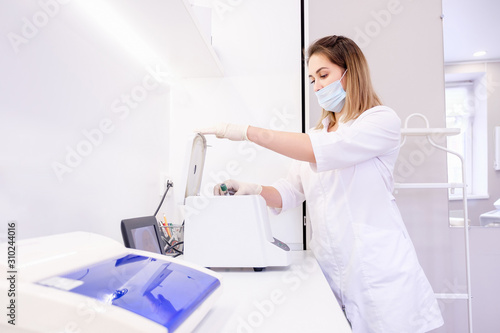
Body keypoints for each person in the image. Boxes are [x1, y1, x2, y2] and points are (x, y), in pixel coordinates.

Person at [198, 35, 444, 333]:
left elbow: (328, 150)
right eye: (313, 79)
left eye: (324, 75)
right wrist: (255, 191)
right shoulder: (317, 133)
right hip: (331, 271)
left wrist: (246, 131)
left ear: (350, 71)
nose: (317, 87)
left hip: (379, 275)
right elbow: (289, 192)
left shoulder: (380, 121)